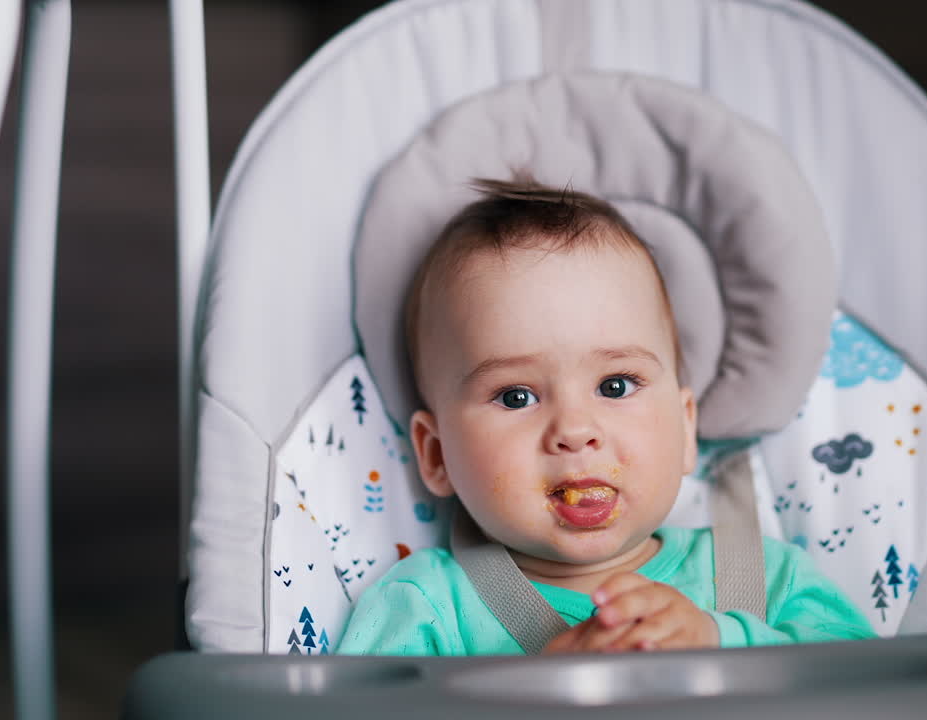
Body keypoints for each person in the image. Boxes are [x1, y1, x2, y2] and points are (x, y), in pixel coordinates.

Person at [338, 175, 874, 655]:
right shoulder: (425, 611)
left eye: (615, 386)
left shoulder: (762, 578)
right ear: (436, 454)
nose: (575, 430)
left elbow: (869, 691)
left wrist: (722, 639)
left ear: (686, 427)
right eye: (516, 397)